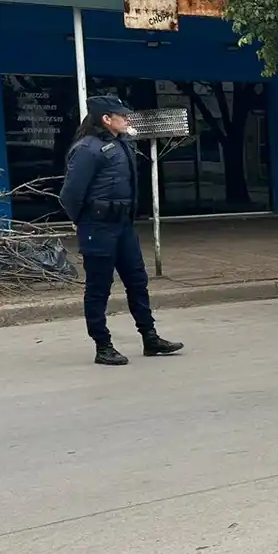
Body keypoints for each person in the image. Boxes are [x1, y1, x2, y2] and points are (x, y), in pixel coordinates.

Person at [57, 94, 184, 366]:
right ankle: (103, 346)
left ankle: (150, 337)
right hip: (98, 226)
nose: (127, 118)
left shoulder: (121, 144)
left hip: (123, 226)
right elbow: (70, 195)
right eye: (122, 115)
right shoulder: (87, 149)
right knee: (99, 288)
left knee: (137, 282)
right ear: (106, 119)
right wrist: (84, 221)